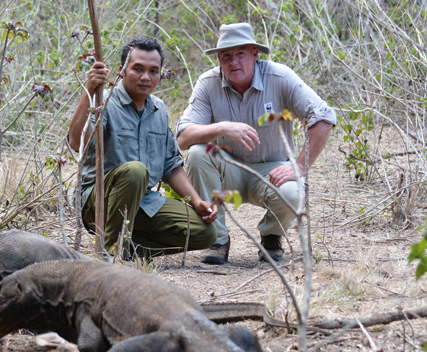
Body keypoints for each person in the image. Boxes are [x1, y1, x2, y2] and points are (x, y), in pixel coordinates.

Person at [176, 23, 336, 265]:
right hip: (227, 170)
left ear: (255, 54)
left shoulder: (280, 77)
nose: (233, 62)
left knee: (294, 192)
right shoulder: (208, 83)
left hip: (271, 172)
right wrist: (222, 128)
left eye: (241, 53)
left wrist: (300, 167)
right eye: (227, 56)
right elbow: (183, 138)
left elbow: (324, 118)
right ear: (219, 59)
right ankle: (218, 239)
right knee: (198, 154)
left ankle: (271, 236)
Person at [68, 37, 218, 258]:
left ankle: (129, 249)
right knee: (135, 171)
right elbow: (76, 142)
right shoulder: (105, 101)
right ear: (122, 70)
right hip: (98, 201)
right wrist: (90, 90)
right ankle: (110, 254)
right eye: (137, 69)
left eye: (153, 71)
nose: (146, 77)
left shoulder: (159, 109)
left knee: (205, 233)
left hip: (143, 202)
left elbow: (171, 165)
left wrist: (197, 201)